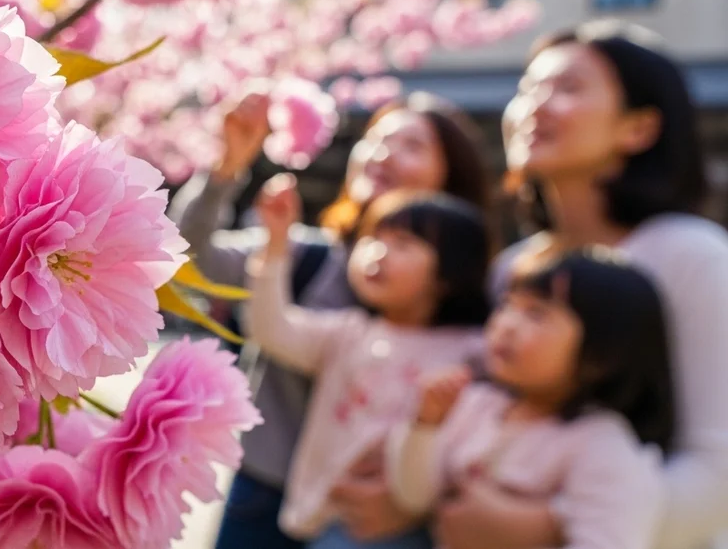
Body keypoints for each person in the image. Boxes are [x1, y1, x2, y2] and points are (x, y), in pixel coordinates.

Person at [437, 20, 728, 549]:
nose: (534, 107)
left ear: (637, 128)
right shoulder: (515, 267)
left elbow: (718, 468)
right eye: (528, 89)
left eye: (568, 89)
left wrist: (552, 527)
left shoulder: (693, 256)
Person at [168, 91, 493, 549]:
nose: (384, 154)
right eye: (377, 139)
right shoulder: (298, 252)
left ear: (451, 177)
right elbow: (186, 260)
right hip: (266, 494)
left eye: (412, 146)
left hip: (377, 518)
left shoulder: (476, 307)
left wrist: (416, 493)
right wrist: (226, 169)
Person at [244, 185, 493, 548]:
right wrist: (276, 244)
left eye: (403, 244)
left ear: (450, 272)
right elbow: (270, 330)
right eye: (374, 238)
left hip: (399, 531)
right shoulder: (348, 333)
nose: (378, 253)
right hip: (321, 521)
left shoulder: (473, 352)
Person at [388, 249, 674, 549]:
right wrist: (425, 424)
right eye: (507, 306)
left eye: (536, 313)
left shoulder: (603, 447)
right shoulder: (476, 405)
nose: (507, 325)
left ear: (602, 354)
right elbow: (414, 497)